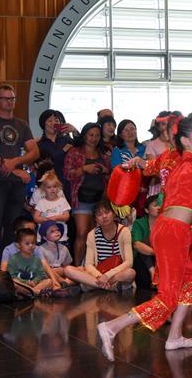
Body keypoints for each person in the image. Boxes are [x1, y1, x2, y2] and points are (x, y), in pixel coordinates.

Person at [97, 118, 192, 360]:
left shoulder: (177, 163)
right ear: (185, 140)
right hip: (175, 231)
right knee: (168, 297)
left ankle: (174, 335)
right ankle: (111, 328)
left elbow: (166, 179)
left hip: (171, 228)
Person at [0, 84, 39, 254]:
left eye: (12, 98)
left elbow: (34, 151)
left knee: (13, 228)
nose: (9, 102)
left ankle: (7, 266)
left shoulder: (21, 124)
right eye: (5, 98)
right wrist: (13, 168)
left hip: (17, 184)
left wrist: (17, 161)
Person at [64, 123, 111, 265]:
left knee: (95, 235)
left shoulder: (103, 153)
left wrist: (105, 170)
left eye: (97, 135)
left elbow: (111, 174)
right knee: (82, 233)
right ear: (84, 135)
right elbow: (67, 174)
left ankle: (91, 266)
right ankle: (77, 267)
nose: (94, 138)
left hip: (100, 198)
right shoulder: (75, 152)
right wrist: (84, 168)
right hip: (81, 197)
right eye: (91, 135)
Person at [63, 200, 135, 292]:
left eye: (107, 212)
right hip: (98, 273)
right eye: (99, 214)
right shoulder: (92, 234)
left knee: (130, 273)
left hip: (116, 273)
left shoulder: (124, 232)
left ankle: (88, 286)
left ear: (114, 214)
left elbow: (129, 262)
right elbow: (89, 264)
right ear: (96, 219)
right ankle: (109, 287)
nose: (104, 216)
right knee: (68, 270)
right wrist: (99, 276)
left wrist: (107, 276)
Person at [36, 109, 75, 187]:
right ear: (43, 124)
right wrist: (63, 150)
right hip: (50, 186)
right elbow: (47, 163)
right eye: (50, 121)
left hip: (69, 184)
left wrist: (74, 131)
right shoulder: (39, 144)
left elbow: (82, 146)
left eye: (56, 120)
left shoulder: (67, 140)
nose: (54, 123)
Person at [7, 228, 52, 295]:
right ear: (18, 245)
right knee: (13, 282)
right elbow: (11, 276)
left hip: (34, 285)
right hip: (22, 285)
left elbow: (41, 275)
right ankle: (35, 292)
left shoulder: (37, 259)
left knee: (49, 281)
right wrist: (25, 282)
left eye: (33, 243)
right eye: (27, 243)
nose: (31, 246)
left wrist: (34, 281)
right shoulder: (13, 259)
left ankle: (30, 293)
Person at [31, 170, 71, 243]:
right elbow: (35, 217)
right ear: (44, 189)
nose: (52, 189)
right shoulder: (41, 202)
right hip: (44, 238)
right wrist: (46, 220)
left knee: (61, 254)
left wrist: (55, 218)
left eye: (54, 186)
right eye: (49, 187)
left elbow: (67, 216)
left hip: (61, 238)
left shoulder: (63, 201)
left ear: (58, 187)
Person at [131, 195, 160, 289]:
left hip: (159, 261)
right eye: (155, 205)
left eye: (160, 205)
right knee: (142, 248)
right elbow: (136, 245)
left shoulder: (166, 224)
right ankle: (153, 274)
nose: (159, 207)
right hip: (142, 260)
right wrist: (156, 253)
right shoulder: (139, 223)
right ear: (147, 210)